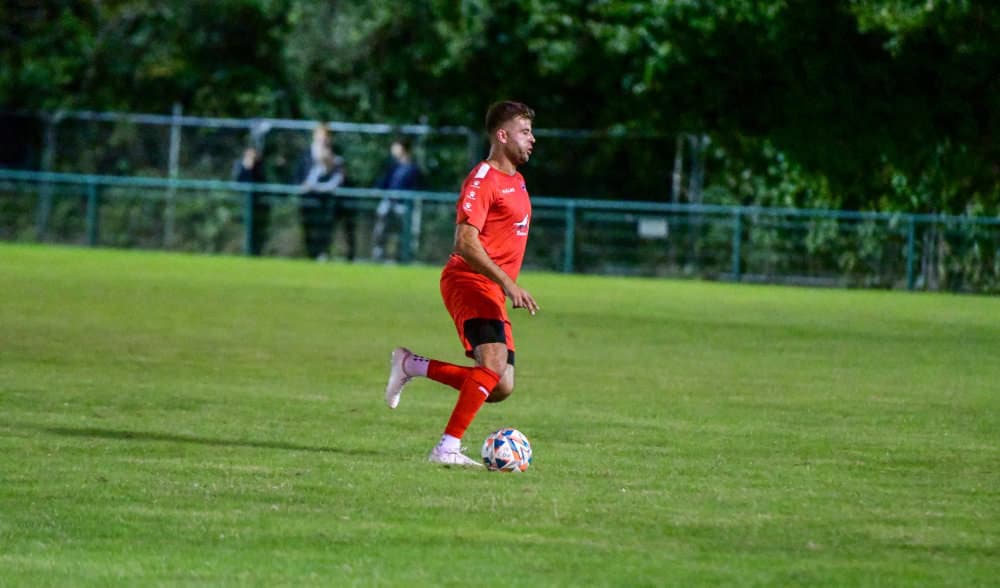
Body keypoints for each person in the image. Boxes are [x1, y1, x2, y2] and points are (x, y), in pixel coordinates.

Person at [383, 101, 539, 467]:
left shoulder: (517, 180)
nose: (532, 139)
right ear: (502, 135)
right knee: (493, 364)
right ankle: (446, 448)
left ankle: (410, 365)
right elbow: (465, 242)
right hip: (469, 280)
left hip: (491, 289)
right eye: (525, 132)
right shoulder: (483, 179)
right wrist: (508, 283)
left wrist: (503, 285)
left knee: (500, 385)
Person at [296, 125, 353, 261]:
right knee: (309, 228)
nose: (322, 138)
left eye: (325, 135)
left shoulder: (336, 155)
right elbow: (299, 175)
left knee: (326, 228)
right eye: (320, 135)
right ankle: (311, 254)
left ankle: (323, 253)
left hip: (328, 201)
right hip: (309, 198)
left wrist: (330, 162)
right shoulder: (306, 154)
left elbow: (342, 178)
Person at [371, 137, 423, 262]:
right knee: (381, 229)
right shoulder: (392, 166)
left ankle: (401, 258)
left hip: (403, 205)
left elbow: (417, 187)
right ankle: (378, 256)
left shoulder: (413, 168)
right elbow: (383, 182)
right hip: (388, 202)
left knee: (403, 233)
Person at [232, 146, 269, 256]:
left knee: (258, 231)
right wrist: (246, 168)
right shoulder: (239, 165)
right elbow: (238, 182)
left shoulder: (260, 167)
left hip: (258, 205)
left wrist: (253, 168)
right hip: (243, 204)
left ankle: (256, 252)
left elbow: (262, 181)